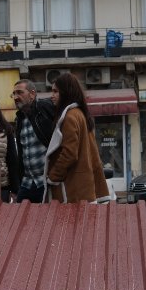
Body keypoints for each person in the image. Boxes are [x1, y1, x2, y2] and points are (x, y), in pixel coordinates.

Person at [44, 73, 109, 203]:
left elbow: (69, 153)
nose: (52, 96)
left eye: (56, 91)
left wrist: (53, 177)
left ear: (66, 92)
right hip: (85, 187)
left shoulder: (69, 117)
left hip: (73, 189)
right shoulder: (81, 114)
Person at [13, 79, 55, 203]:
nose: (15, 97)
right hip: (27, 182)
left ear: (32, 94)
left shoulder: (45, 107)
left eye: (20, 92)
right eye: (14, 94)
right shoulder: (19, 118)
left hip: (46, 182)